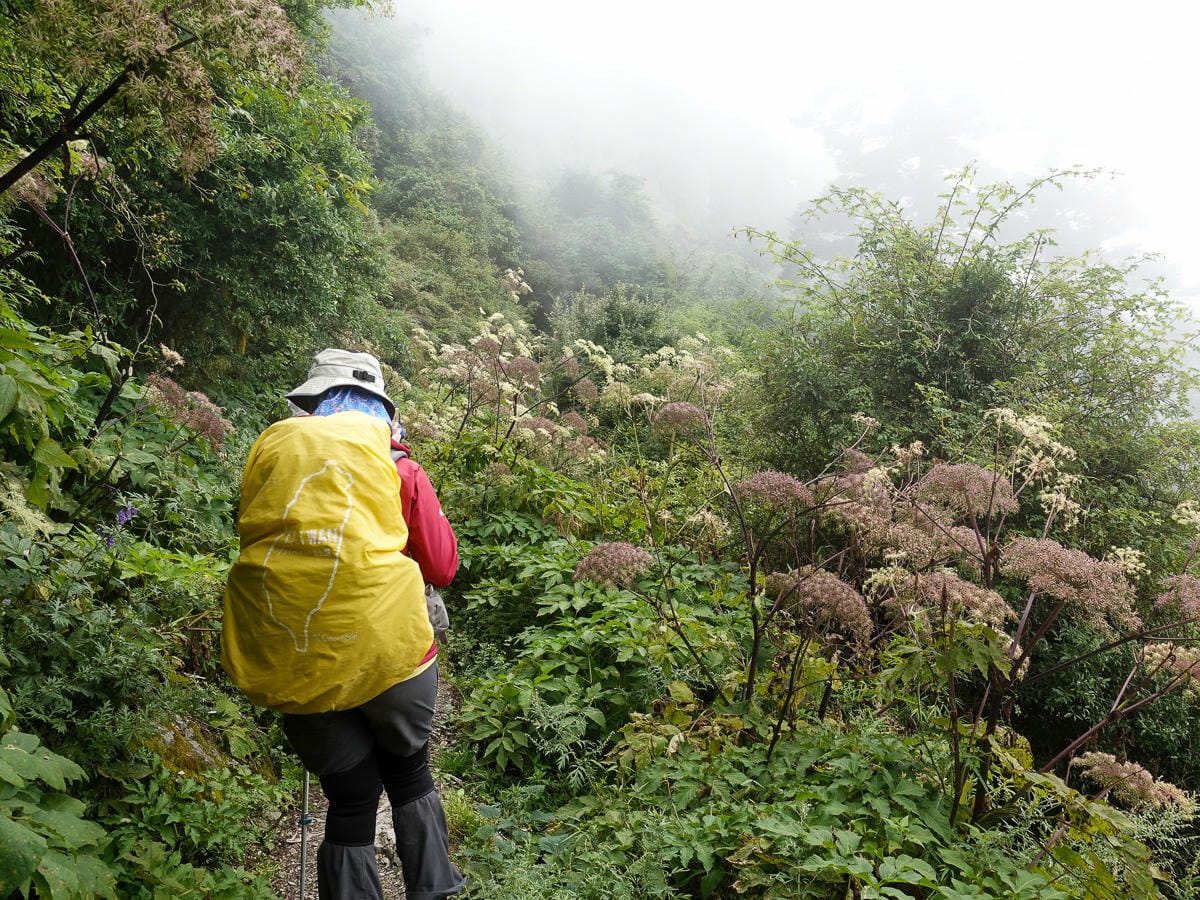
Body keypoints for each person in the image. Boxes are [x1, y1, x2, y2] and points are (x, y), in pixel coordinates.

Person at [223, 348, 465, 900]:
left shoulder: (272, 459)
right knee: (407, 771)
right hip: (392, 656)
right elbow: (442, 567)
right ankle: (434, 889)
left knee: (353, 798)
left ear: (310, 407)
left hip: (295, 656)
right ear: (382, 412)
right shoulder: (398, 467)